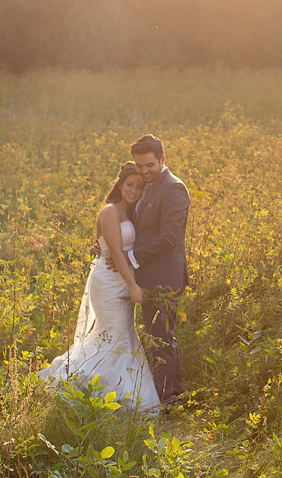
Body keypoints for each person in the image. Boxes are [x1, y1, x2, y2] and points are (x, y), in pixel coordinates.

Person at [38, 162, 161, 416]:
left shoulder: (132, 212)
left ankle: (120, 396)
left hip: (124, 279)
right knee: (112, 335)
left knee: (124, 336)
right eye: (129, 184)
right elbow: (115, 251)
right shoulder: (110, 211)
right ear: (119, 184)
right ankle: (87, 389)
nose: (134, 190)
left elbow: (122, 247)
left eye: (139, 186)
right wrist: (133, 286)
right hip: (109, 283)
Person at [105, 134, 190, 407]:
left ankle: (170, 400)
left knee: (162, 339)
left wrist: (129, 256)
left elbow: (169, 238)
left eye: (149, 166)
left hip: (164, 279)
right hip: (147, 276)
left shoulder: (174, 188)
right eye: (139, 166)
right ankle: (162, 395)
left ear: (162, 159)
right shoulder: (148, 186)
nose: (143, 171)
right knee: (155, 338)